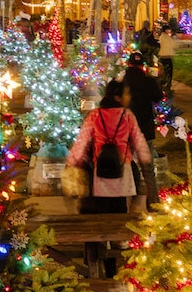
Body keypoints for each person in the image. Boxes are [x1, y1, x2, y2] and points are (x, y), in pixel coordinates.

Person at [66, 79, 154, 214]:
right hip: (122, 168)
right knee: (119, 208)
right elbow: (139, 142)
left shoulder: (95, 115)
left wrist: (72, 162)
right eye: (126, 94)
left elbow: (81, 142)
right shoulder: (127, 116)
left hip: (100, 167)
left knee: (100, 207)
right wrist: (146, 160)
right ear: (117, 97)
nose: (129, 97)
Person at [123, 52, 164, 204]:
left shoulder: (120, 82)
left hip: (125, 131)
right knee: (148, 169)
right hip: (144, 131)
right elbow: (158, 97)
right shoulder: (149, 82)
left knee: (125, 163)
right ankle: (153, 202)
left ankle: (127, 198)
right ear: (143, 66)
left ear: (128, 64)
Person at [156, 26, 178, 97]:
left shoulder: (161, 37)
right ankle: (167, 88)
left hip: (162, 57)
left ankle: (163, 88)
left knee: (163, 73)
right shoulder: (167, 38)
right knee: (168, 73)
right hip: (167, 57)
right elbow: (175, 45)